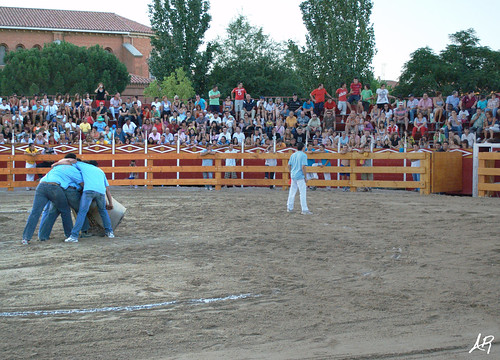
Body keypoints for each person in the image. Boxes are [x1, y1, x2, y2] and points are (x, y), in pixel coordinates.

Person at [53, 158, 114, 243]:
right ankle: (109, 232)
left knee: (82, 212)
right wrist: (110, 203)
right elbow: (107, 189)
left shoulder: (81, 165)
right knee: (103, 211)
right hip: (100, 192)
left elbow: (68, 160)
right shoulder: (100, 171)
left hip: (89, 190)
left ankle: (74, 236)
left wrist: (55, 164)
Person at [38, 154, 91, 240]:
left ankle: (43, 236)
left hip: (58, 190)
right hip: (71, 191)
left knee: (53, 213)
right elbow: (82, 183)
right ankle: (84, 231)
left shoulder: (57, 167)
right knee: (80, 211)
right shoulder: (74, 168)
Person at [21, 164, 75, 245]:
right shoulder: (74, 170)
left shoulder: (56, 168)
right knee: (65, 210)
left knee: (35, 212)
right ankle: (69, 235)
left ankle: (26, 238)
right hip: (54, 187)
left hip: (41, 185)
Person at [286, 142, 312, 215]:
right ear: (303, 148)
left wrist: (291, 172)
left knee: (292, 191)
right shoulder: (303, 155)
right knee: (302, 192)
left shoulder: (293, 155)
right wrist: (305, 177)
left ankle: (289, 207)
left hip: (293, 175)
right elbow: (303, 167)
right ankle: (304, 209)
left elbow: (289, 165)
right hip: (300, 175)